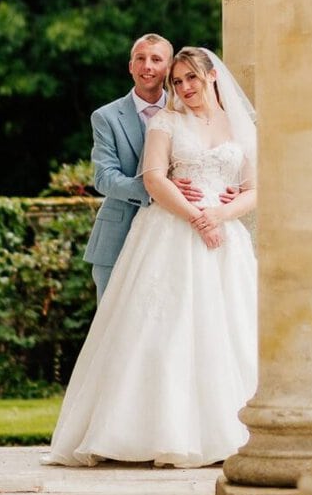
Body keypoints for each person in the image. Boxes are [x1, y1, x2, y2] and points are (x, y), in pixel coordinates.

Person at [44, 47, 258, 468]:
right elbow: (155, 179)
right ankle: (148, 432)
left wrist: (221, 214)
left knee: (225, 328)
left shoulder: (241, 125)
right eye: (177, 82)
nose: (184, 87)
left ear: (212, 76)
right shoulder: (166, 122)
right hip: (172, 232)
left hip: (224, 236)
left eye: (191, 78)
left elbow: (254, 189)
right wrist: (197, 217)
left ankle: (224, 430)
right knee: (165, 329)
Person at [83, 33, 231, 302]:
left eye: (156, 60)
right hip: (119, 233)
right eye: (140, 59)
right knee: (114, 327)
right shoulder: (105, 117)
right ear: (130, 66)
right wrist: (158, 188)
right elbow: (104, 177)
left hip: (174, 236)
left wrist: (227, 189)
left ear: (168, 68)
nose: (147, 66)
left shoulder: (187, 111)